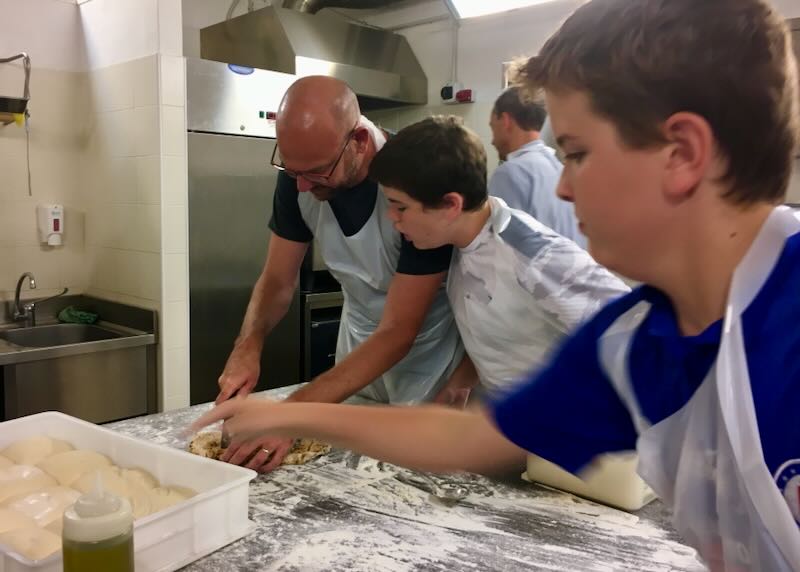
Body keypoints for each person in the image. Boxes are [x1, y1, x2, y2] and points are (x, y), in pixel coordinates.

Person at [193, 0, 800, 569]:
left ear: (683, 153)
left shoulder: (782, 312)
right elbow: (479, 438)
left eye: (577, 153)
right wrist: (287, 414)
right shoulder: (638, 341)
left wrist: (293, 414)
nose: (561, 188)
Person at [215, 75, 464, 472]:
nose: (300, 184)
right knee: (346, 474)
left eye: (315, 173)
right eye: (291, 169)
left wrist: (291, 414)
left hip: (424, 359)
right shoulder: (301, 171)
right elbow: (278, 280)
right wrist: (248, 344)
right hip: (356, 348)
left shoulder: (415, 178)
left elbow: (400, 329)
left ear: (359, 142)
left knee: (411, 479)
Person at [367, 114, 628, 401]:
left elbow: (634, 334)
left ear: (451, 205)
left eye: (400, 207)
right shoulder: (462, 244)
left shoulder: (533, 255)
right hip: (516, 426)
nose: (391, 218)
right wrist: (460, 383)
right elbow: (511, 332)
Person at [488, 87, 585, 247]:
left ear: (505, 121)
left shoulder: (510, 173)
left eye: (493, 127)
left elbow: (499, 249)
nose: (492, 141)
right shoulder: (558, 169)